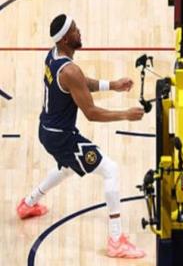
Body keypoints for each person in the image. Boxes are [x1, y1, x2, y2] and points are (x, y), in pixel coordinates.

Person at [17, 14, 147, 258]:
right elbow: (92, 113)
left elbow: (80, 83)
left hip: (48, 130)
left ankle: (28, 204)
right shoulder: (70, 70)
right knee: (110, 170)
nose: (80, 32)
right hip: (62, 137)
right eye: (75, 30)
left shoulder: (54, 55)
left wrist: (112, 85)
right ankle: (116, 241)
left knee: (67, 168)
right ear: (66, 39)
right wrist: (126, 114)